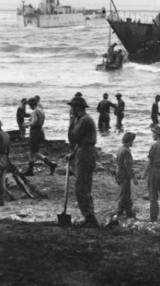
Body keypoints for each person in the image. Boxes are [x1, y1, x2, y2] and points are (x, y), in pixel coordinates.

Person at [67, 94, 100, 228]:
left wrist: (70, 122)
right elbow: (79, 142)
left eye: (72, 107)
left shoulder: (84, 120)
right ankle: (89, 216)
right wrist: (73, 153)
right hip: (82, 151)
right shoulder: (82, 119)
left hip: (86, 153)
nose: (71, 110)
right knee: (84, 185)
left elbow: (73, 137)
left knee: (81, 187)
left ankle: (90, 218)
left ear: (78, 108)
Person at [24, 97, 57, 176]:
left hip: (34, 131)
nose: (29, 107)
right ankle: (30, 170)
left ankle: (50, 163)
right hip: (40, 131)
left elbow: (34, 122)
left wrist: (27, 124)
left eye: (30, 105)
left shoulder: (35, 111)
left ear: (32, 104)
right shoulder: (41, 110)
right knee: (32, 151)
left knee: (35, 152)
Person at [115, 132, 139, 219]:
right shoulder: (126, 151)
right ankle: (119, 212)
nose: (133, 143)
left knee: (126, 193)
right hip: (124, 174)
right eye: (132, 141)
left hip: (119, 173)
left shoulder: (120, 149)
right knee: (124, 194)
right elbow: (128, 167)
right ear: (129, 141)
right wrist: (134, 178)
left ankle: (129, 212)